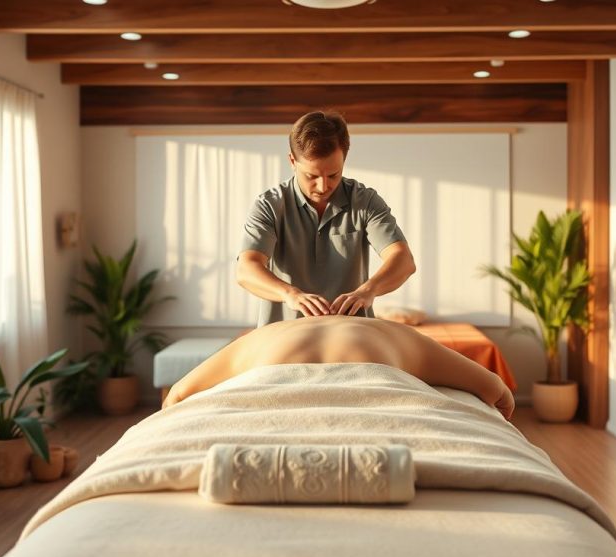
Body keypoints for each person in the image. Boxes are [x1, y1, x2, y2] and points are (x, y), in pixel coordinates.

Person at [237, 111, 416, 327]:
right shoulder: (269, 205)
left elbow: (403, 260)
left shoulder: (365, 201)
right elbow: (246, 269)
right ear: (292, 161)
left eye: (333, 175)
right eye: (311, 176)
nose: (323, 187)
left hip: (351, 333)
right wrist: (289, 294)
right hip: (283, 335)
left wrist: (369, 290)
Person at [162, 316, 515, 420]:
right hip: (379, 386)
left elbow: (177, 395)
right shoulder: (395, 332)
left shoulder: (263, 335)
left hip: (269, 378)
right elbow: (496, 391)